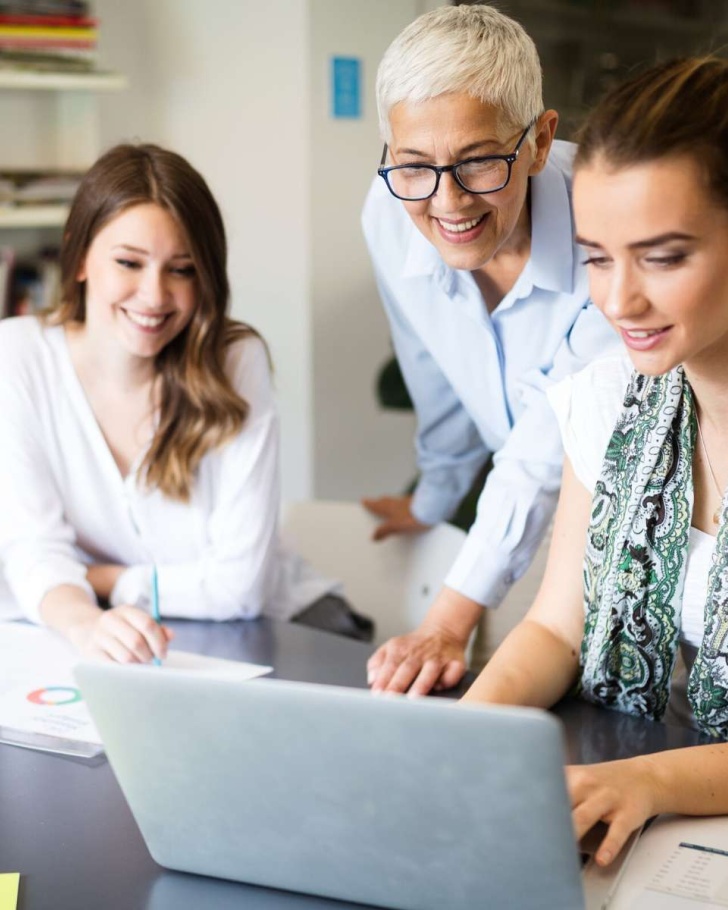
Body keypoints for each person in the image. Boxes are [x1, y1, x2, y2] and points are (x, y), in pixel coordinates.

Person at [463, 55, 728, 867]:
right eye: (597, 257)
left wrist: (645, 782)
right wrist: (460, 730)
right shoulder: (608, 398)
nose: (618, 301)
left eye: (663, 256)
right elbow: (556, 625)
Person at [0, 143, 371, 663]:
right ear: (79, 256)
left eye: (182, 269)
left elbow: (241, 589)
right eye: (129, 262)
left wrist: (101, 579)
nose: (154, 297)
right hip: (132, 642)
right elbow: (32, 550)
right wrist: (85, 622)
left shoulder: (235, 361)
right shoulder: (17, 357)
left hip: (284, 628)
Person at [361, 4, 618, 695]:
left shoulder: (607, 230)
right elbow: (431, 368)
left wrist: (447, 619)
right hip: (525, 535)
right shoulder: (390, 212)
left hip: (626, 520)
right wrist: (436, 494)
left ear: (539, 140)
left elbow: (547, 442)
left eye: (477, 162)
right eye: (414, 164)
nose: (446, 201)